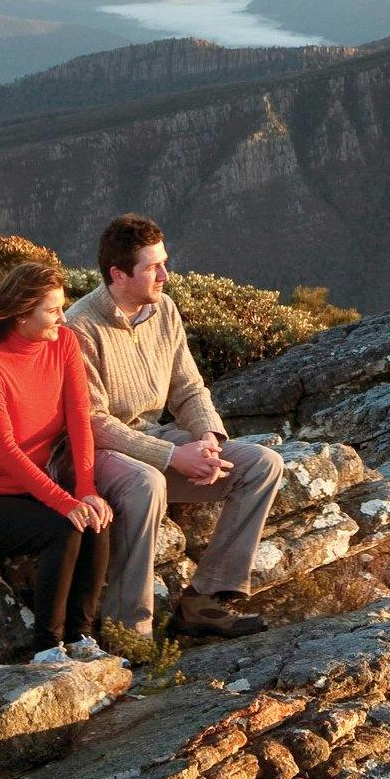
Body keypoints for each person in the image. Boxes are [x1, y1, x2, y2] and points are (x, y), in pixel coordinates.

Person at [65, 215, 280, 640]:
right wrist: (171, 456)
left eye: (165, 262)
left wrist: (207, 439)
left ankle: (204, 600)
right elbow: (93, 421)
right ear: (118, 274)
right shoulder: (80, 327)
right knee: (149, 484)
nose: (165, 275)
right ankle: (130, 630)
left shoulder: (163, 308)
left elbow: (188, 387)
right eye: (152, 267)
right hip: (106, 453)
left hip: (157, 437)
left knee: (262, 464)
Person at [0, 260, 117, 665]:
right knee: (64, 528)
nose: (62, 317)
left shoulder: (64, 343)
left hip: (26, 491)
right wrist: (65, 503)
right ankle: (48, 648)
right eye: (52, 310)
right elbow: (5, 451)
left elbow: (80, 422)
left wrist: (86, 491)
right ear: (20, 315)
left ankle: (82, 637)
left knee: (96, 519)